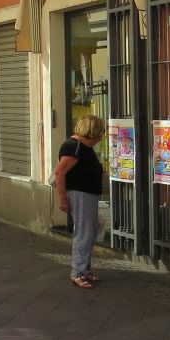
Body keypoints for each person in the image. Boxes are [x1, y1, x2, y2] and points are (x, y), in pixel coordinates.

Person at [54, 114, 107, 289]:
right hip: (80, 194)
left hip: (88, 194)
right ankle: (77, 272)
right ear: (93, 132)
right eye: (101, 131)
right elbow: (60, 173)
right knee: (84, 232)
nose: (102, 135)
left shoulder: (84, 146)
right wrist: (63, 199)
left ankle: (84, 269)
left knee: (92, 229)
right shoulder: (74, 146)